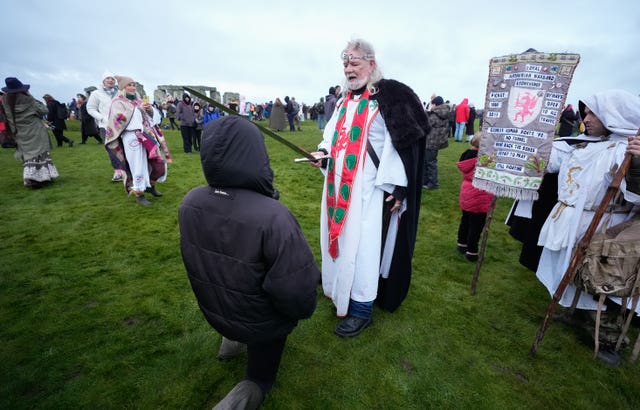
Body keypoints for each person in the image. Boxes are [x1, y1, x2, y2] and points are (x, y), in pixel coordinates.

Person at [179, 116, 320, 409]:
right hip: (260, 323)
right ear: (255, 154)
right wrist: (297, 313)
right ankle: (251, 387)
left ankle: (231, 341)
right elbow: (297, 293)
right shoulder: (273, 217)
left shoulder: (191, 202)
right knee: (260, 377)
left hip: (215, 310)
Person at [309, 38, 429, 337]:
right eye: (345, 63)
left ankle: (362, 308)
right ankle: (339, 288)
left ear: (371, 64)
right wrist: (322, 153)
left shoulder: (386, 99)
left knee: (363, 248)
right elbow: (332, 137)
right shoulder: (342, 102)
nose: (349, 68)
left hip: (369, 191)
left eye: (355, 62)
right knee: (334, 239)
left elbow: (403, 145)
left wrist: (399, 188)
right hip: (336, 188)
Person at [529, 90, 640, 365]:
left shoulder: (627, 149)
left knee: (601, 278)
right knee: (570, 271)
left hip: (603, 223)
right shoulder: (580, 144)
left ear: (612, 116)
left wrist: (637, 165)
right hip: (568, 219)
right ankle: (575, 314)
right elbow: (552, 156)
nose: (585, 119)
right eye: (585, 112)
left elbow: (635, 192)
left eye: (592, 113)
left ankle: (610, 339)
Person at [105, 76, 171, 206]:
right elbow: (118, 120)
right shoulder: (117, 102)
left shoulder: (139, 100)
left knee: (158, 162)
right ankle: (139, 193)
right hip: (131, 137)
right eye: (129, 85)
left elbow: (154, 118)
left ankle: (151, 186)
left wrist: (150, 110)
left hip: (147, 135)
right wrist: (137, 110)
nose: (132, 87)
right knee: (137, 165)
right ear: (123, 87)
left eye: (134, 84)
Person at [1, 77, 59, 187]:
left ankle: (31, 178)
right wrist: (30, 96)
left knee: (28, 157)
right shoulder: (27, 100)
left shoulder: (5, 101)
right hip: (34, 131)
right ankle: (42, 178)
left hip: (19, 132)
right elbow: (44, 110)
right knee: (40, 154)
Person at [456, 132, 494, 262]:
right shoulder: (485, 158)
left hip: (467, 192)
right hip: (480, 194)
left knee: (466, 219)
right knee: (476, 225)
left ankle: (462, 244)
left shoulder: (466, 155)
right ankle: (472, 251)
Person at [86, 71, 124, 181]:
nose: (110, 80)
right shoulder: (96, 94)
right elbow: (90, 109)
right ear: (103, 80)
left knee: (123, 147)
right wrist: (101, 118)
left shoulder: (120, 93)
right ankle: (117, 171)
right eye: (108, 78)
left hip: (120, 124)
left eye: (112, 79)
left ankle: (125, 169)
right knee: (112, 148)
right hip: (105, 125)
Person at [423, 96, 450, 190]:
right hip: (437, 141)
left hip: (431, 141)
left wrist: (428, 112)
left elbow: (426, 125)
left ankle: (433, 184)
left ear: (434, 104)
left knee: (430, 163)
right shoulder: (444, 113)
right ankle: (426, 181)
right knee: (430, 162)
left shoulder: (435, 115)